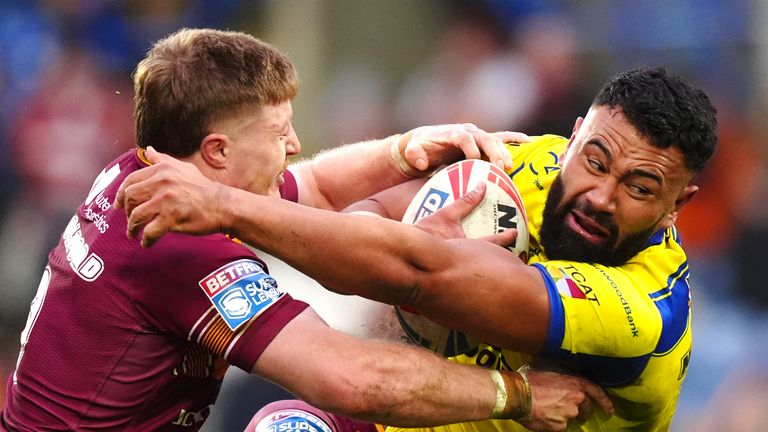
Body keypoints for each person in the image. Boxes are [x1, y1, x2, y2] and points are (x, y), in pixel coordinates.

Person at [0, 28, 614, 432]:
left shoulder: (141, 172)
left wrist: (406, 150)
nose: (294, 144)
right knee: (305, 425)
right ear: (216, 151)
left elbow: (312, 189)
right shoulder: (179, 246)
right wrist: (520, 394)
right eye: (278, 134)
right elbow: (351, 378)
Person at [114, 66, 717, 431]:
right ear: (576, 134)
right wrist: (401, 190)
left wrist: (222, 205)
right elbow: (373, 216)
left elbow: (417, 273)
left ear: (676, 204)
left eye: (639, 188)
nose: (600, 197)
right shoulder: (527, 164)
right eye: (593, 160)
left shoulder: (643, 314)